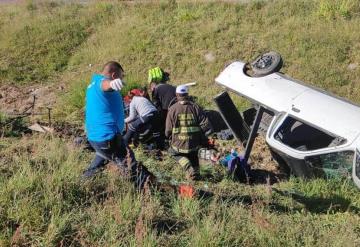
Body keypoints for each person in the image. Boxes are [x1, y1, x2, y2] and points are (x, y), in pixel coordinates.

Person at [83, 61, 154, 189]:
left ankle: (83, 181)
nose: (122, 79)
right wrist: (111, 83)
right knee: (129, 162)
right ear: (114, 75)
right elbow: (105, 85)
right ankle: (146, 188)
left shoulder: (91, 85)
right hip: (108, 138)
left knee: (101, 157)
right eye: (121, 76)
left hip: (96, 137)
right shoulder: (101, 83)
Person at [165, 85, 213, 180]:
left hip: (178, 145)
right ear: (187, 94)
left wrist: (169, 137)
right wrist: (204, 138)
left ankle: (188, 167)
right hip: (194, 144)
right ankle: (197, 173)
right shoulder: (196, 107)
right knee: (194, 154)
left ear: (177, 95)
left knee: (173, 153)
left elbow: (168, 130)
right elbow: (206, 125)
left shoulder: (172, 109)